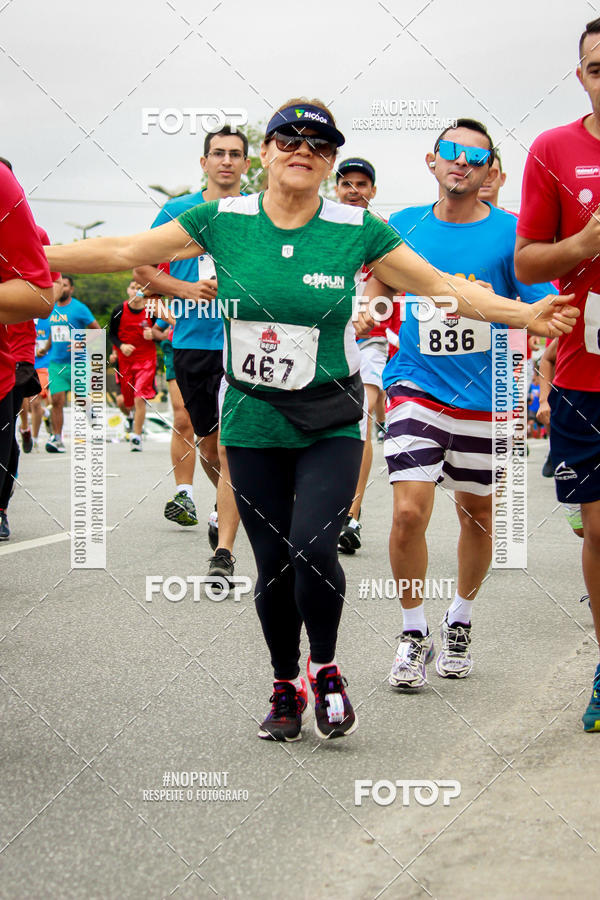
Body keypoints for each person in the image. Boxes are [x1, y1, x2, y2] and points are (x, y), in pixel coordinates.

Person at [46, 98, 578, 743]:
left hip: (329, 417)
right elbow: (124, 249)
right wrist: (32, 256)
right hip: (251, 417)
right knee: (270, 561)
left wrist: (526, 317)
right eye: (288, 139)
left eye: (319, 144)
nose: (303, 149)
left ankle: (324, 666)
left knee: (313, 545)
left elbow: (443, 286)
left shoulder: (358, 230)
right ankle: (282, 684)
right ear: (265, 152)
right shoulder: (220, 219)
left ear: (328, 164)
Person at [364, 118, 558, 689]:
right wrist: (369, 317)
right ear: (432, 161)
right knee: (407, 510)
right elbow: (379, 288)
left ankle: (461, 619)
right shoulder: (403, 225)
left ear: (491, 169)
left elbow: (540, 309)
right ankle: (412, 631)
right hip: (414, 384)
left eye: (475, 157)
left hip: (489, 394)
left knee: (476, 515)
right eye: (451, 152)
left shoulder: (512, 234)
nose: (461, 163)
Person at [515, 17, 600, 733]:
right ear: (581, 76)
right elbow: (526, 264)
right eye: (597, 67)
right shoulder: (553, 150)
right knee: (599, 529)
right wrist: (582, 243)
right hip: (583, 371)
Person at [133, 125, 246, 579]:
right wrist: (185, 289)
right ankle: (227, 505)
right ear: (204, 163)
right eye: (217, 153)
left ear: (245, 164)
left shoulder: (256, 212)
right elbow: (140, 266)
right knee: (209, 442)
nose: (226, 161)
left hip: (245, 344)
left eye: (235, 154)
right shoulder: (178, 210)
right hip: (192, 344)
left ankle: (225, 541)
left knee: (236, 443)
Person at [334, 157, 401, 554]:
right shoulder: (320, 226)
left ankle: (350, 516)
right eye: (347, 183)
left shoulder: (382, 231)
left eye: (362, 184)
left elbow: (392, 280)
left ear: (373, 191)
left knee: (361, 421)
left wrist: (370, 313)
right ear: (336, 188)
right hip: (320, 340)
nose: (354, 190)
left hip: (371, 339)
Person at [0, 163, 55, 539]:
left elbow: (42, 287)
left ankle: (1, 507)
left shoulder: (33, 232)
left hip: (17, 349)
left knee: (15, 425)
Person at [44, 275, 100, 453]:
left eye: (66, 285)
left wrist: (81, 341)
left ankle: (93, 417)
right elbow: (55, 332)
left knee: (81, 398)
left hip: (78, 362)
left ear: (71, 289)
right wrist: (45, 348)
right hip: (56, 363)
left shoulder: (79, 308)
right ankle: (57, 438)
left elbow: (97, 331)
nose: (62, 288)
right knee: (57, 400)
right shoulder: (51, 308)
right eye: (60, 285)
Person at [108, 281, 158, 451]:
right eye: (133, 288)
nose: (136, 291)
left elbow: (161, 332)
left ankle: (136, 436)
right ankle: (132, 419)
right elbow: (112, 335)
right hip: (126, 360)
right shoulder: (119, 310)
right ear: (127, 290)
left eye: (140, 288)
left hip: (146, 359)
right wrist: (121, 346)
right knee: (127, 401)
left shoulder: (152, 310)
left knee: (140, 396)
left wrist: (153, 334)